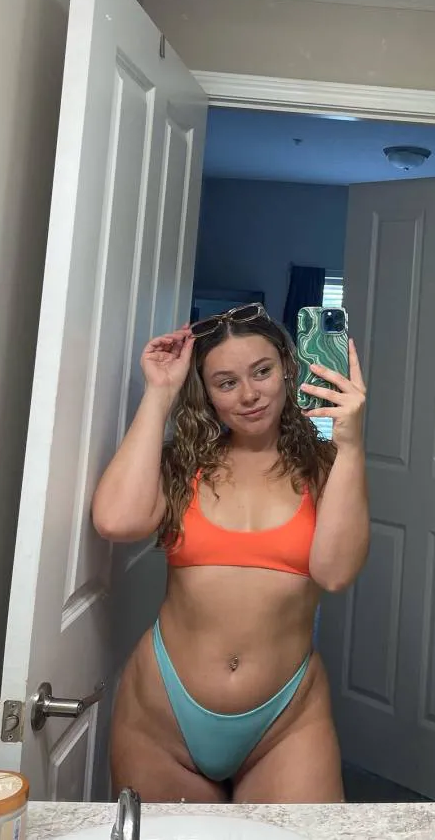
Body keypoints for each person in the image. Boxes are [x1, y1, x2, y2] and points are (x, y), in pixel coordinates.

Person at [92, 303, 369, 803]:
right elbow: (115, 520)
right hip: (161, 718)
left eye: (262, 372)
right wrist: (159, 392)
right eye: (226, 382)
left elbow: (334, 573)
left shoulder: (324, 467)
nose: (248, 395)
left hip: (287, 721)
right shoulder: (183, 464)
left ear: (287, 369)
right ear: (207, 394)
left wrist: (350, 445)